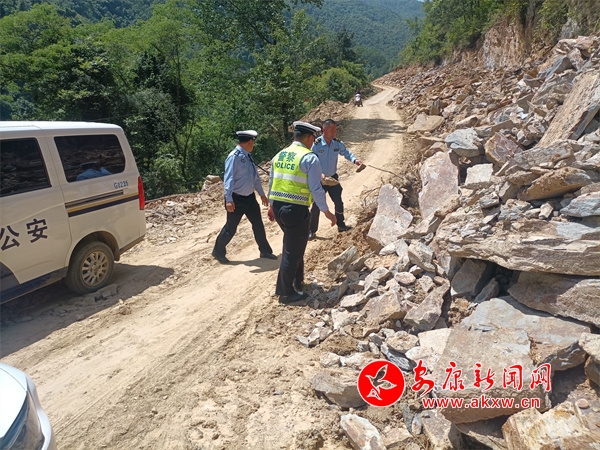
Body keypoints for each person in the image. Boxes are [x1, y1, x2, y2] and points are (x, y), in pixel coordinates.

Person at [267, 121, 336, 304]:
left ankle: (297, 281)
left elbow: (272, 181)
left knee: (295, 246)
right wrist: (327, 212)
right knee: (292, 251)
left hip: (279, 208)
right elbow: (316, 189)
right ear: (310, 138)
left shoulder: (279, 155)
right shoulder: (309, 158)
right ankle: (286, 293)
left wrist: (271, 205)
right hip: (296, 210)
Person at [212, 130, 277, 264]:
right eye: (253, 141)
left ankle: (265, 251)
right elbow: (228, 179)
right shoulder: (234, 157)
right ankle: (218, 251)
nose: (253, 144)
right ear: (250, 141)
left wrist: (261, 194)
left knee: (258, 224)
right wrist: (229, 199)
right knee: (231, 228)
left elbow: (255, 177)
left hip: (250, 198)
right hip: (236, 199)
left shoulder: (248, 156)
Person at [308, 118, 363, 240]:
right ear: (324, 130)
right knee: (316, 205)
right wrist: (319, 173)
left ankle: (341, 225)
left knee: (338, 202)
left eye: (335, 130)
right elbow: (311, 160)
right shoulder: (316, 144)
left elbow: (346, 153)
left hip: (332, 178)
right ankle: (311, 230)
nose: (334, 133)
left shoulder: (337, 143)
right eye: (331, 130)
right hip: (320, 179)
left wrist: (355, 160)